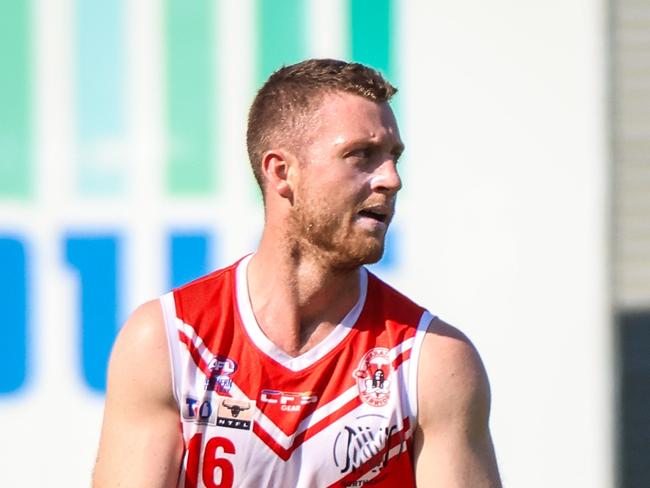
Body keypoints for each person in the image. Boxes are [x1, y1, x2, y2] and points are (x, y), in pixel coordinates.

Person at [93, 58, 501, 487]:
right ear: (281, 171)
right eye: (361, 155)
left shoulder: (431, 361)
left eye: (393, 157)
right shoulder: (169, 341)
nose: (391, 179)